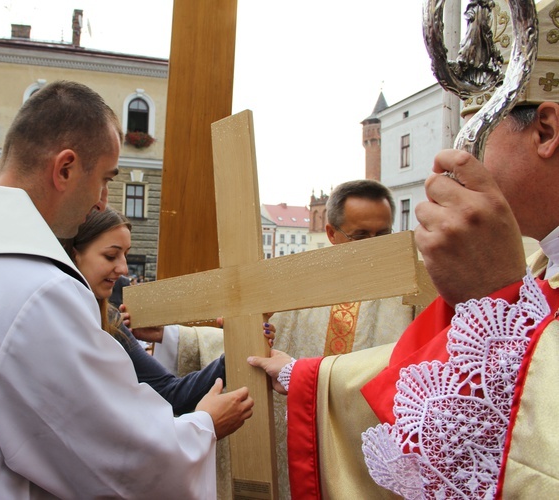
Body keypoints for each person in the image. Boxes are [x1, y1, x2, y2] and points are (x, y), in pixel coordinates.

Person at [0, 80, 253, 499]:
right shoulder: (36, 287)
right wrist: (202, 427)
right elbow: (119, 456)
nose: (100, 201)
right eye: (105, 179)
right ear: (65, 168)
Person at [248, 2, 559, 497]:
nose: (459, 158)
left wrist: (498, 298)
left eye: (479, 128)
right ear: (331, 233)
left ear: (545, 130)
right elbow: (417, 363)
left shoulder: (501, 263)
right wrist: (304, 374)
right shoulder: (542, 263)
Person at [142, 179, 418, 497]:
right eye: (360, 236)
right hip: (302, 442)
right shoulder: (301, 283)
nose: (373, 245)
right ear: (331, 234)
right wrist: (176, 336)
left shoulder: (408, 288)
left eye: (382, 234)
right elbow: (254, 342)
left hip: (366, 446)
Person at [61, 207, 226, 414]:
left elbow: (169, 392)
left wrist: (229, 360)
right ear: (75, 255)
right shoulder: (55, 316)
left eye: (125, 255)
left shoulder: (111, 321)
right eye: (111, 256)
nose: (124, 268)